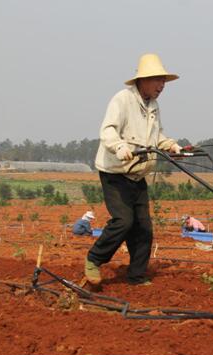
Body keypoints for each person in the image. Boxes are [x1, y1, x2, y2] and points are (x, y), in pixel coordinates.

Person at [84, 53, 182, 286]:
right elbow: (108, 130)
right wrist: (119, 146)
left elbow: (155, 136)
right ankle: (94, 259)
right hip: (115, 173)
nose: (161, 86)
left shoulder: (153, 106)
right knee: (123, 221)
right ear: (143, 80)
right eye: (157, 81)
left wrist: (170, 145)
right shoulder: (122, 100)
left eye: (163, 82)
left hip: (137, 174)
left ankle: (137, 276)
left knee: (144, 228)